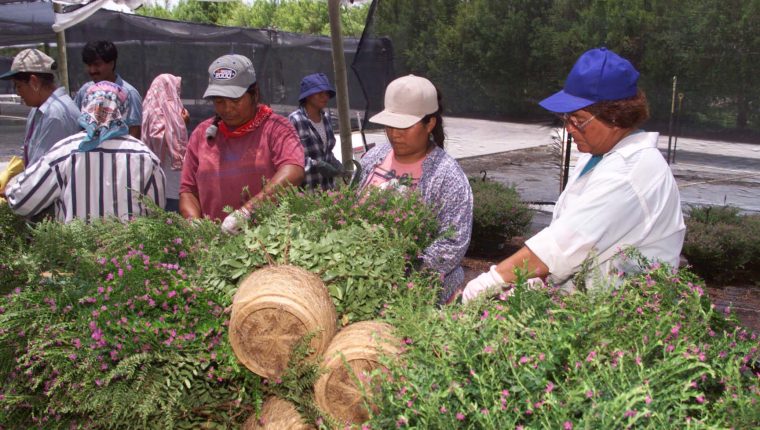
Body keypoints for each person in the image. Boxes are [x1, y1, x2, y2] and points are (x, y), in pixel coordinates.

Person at [462, 47, 685, 303]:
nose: (568, 129)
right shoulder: (597, 157)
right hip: (586, 309)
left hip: (625, 321)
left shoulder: (629, 173)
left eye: (578, 119)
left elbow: (562, 247)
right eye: (565, 118)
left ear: (615, 116)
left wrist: (488, 283)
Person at [357, 75, 473, 303]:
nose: (394, 134)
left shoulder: (447, 177)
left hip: (418, 296)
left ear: (429, 123)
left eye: (404, 126)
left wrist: (400, 277)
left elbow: (452, 244)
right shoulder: (373, 158)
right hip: (363, 281)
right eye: (389, 125)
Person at [4, 81, 165, 223]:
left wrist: (10, 184)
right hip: (128, 256)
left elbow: (21, 201)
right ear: (121, 111)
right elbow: (156, 216)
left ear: (86, 107)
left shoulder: (64, 152)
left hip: (75, 256)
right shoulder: (145, 157)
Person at [180, 54, 305, 233]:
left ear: (254, 94)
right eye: (219, 101)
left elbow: (293, 171)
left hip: (270, 242)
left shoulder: (276, 128)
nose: (228, 108)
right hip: (214, 245)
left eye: (236, 101)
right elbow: (188, 189)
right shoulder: (202, 134)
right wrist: (193, 222)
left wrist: (248, 212)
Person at [0, 48, 80, 166]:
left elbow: (42, 171)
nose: (18, 93)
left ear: (34, 82)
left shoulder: (55, 115)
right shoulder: (39, 110)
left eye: (18, 86)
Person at [73, 41, 142, 139]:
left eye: (97, 65)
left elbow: (134, 132)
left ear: (111, 63)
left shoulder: (130, 94)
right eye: (88, 65)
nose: (92, 70)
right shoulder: (85, 91)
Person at [142, 73, 189, 212]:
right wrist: (182, 123)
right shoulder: (165, 111)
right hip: (171, 181)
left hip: (152, 183)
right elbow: (160, 137)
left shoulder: (148, 107)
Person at [288, 73, 343, 190]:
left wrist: (336, 164)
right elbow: (289, 158)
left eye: (327, 93)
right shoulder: (295, 120)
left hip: (328, 191)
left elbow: (326, 151)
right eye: (320, 93)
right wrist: (317, 165)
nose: (325, 97)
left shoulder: (326, 118)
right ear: (307, 96)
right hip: (306, 192)